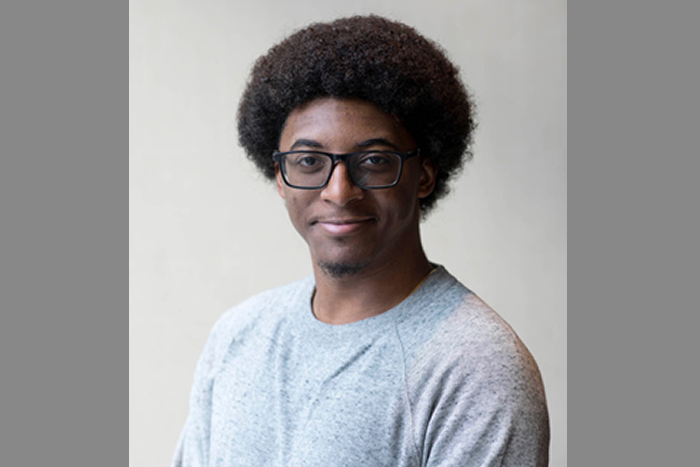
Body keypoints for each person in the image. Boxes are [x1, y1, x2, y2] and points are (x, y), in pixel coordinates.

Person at [172, 15, 549, 467]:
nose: (338, 191)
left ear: (424, 174)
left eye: (373, 160)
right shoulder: (237, 335)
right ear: (279, 177)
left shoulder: (476, 368)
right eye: (309, 160)